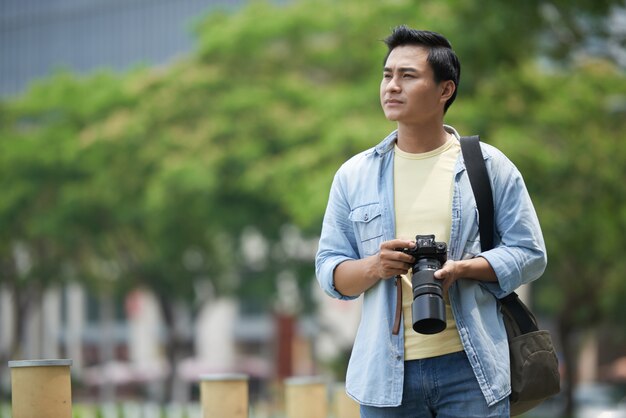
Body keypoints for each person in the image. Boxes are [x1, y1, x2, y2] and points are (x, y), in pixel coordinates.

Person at [315, 25, 547, 418]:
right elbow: (329, 271)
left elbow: (531, 253)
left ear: (445, 90)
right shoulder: (354, 176)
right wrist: (375, 265)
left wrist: (464, 269)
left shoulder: (488, 167)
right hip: (385, 379)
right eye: (387, 75)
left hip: (472, 370)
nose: (391, 86)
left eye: (408, 76)